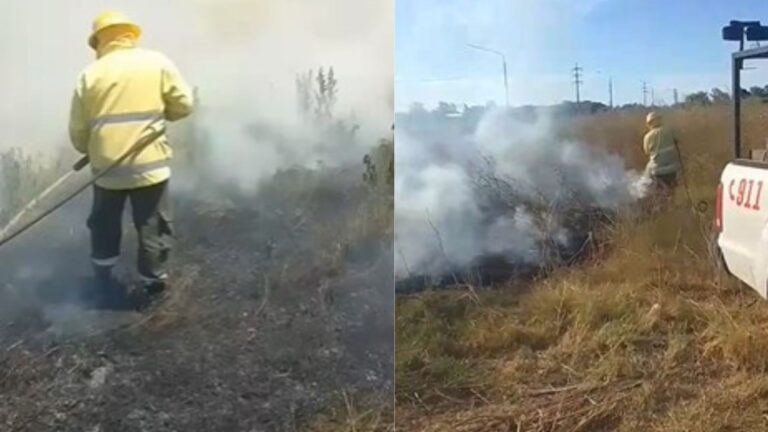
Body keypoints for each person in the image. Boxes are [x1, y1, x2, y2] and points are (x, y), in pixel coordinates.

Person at [68, 11, 195, 307]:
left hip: (106, 169)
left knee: (104, 223)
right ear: (130, 35)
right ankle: (153, 286)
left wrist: (92, 149)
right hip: (149, 165)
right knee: (152, 224)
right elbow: (184, 106)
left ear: (99, 41)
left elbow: (78, 132)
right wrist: (164, 113)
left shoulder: (89, 75)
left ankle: (103, 280)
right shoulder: (157, 62)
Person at [642, 111, 681, 200]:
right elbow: (679, 139)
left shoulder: (647, 137)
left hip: (657, 170)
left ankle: (660, 205)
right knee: (671, 191)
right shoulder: (669, 130)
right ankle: (671, 204)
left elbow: (647, 152)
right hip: (672, 168)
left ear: (649, 123)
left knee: (659, 192)